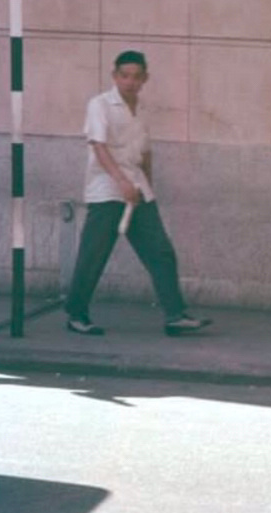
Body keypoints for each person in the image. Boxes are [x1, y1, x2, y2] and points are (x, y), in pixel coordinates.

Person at [64, 50, 211, 337]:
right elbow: (98, 145)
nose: (130, 82)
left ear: (145, 79)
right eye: (124, 75)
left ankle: (175, 315)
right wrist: (120, 182)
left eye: (136, 77)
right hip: (107, 189)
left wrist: (147, 186)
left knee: (161, 252)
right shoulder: (100, 104)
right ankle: (76, 314)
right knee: (94, 255)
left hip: (138, 190)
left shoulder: (141, 110)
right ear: (114, 76)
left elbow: (145, 153)